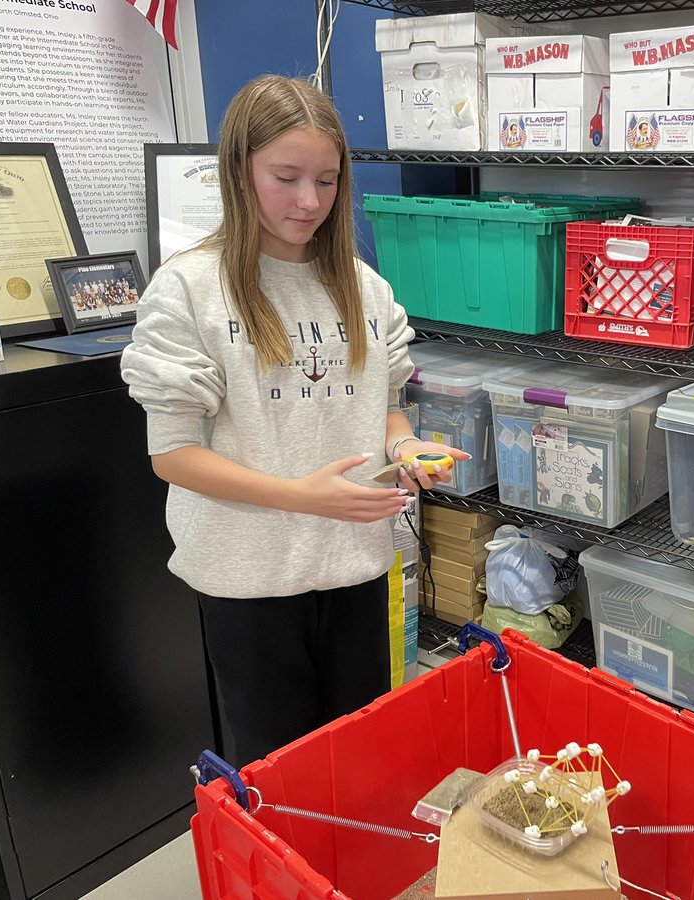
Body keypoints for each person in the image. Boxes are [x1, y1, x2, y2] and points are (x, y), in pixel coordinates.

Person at [121, 75, 469, 767]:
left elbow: (385, 408)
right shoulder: (190, 288)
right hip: (249, 582)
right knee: (278, 770)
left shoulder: (364, 287)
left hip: (355, 567)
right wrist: (301, 497)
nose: (309, 202)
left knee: (359, 757)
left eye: (328, 181)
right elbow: (173, 455)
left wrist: (407, 447)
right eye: (285, 177)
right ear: (239, 172)